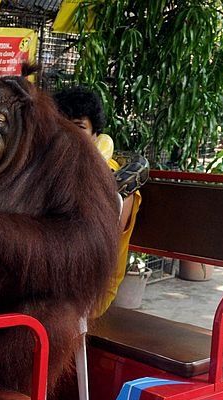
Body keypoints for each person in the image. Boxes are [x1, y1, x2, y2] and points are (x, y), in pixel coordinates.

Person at [54, 85, 144, 317]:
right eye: (61, 125)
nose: (69, 134)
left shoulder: (119, 180)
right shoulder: (53, 169)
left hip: (90, 287)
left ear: (96, 134)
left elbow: (101, 241)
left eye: (79, 127)